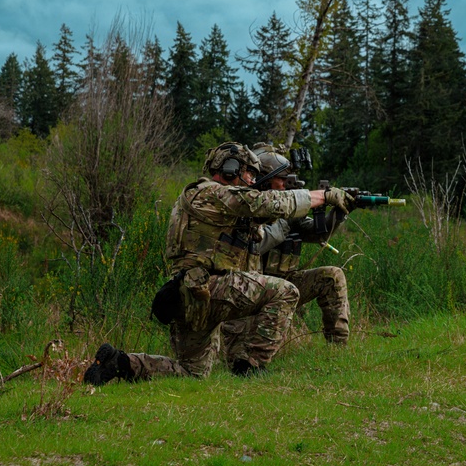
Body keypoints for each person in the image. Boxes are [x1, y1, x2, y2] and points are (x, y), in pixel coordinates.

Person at [83, 142, 355, 385]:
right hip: (212, 287)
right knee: (286, 292)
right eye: (249, 174)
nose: (252, 181)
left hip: (194, 293)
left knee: (191, 373)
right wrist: (323, 196)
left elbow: (264, 222)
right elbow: (267, 203)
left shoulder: (209, 200)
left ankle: (119, 363)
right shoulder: (210, 193)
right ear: (230, 169)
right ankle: (251, 366)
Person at [221, 144, 350, 369]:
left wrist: (338, 213)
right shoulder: (246, 205)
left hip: (285, 284)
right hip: (251, 291)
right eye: (282, 179)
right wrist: (286, 217)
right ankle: (253, 360)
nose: (286, 184)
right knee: (234, 355)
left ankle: (338, 350)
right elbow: (255, 245)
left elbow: (317, 233)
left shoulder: (287, 208)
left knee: (332, 276)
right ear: (264, 180)